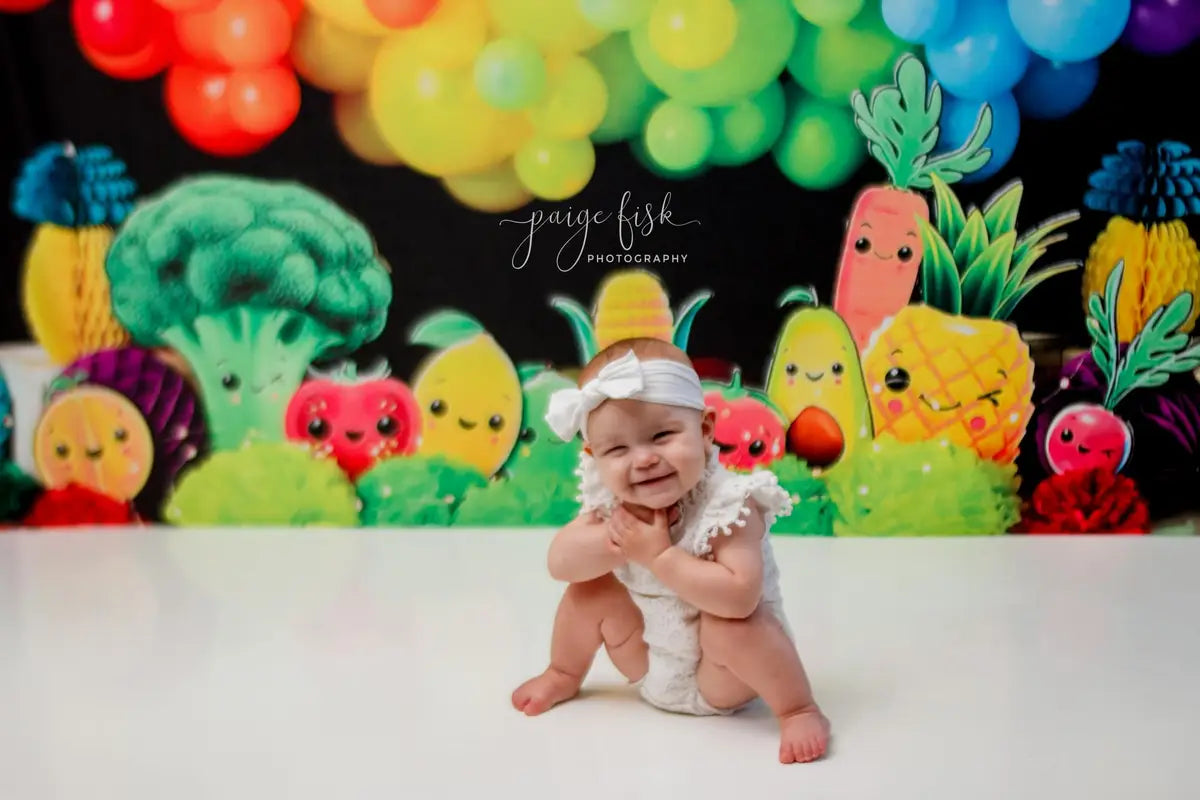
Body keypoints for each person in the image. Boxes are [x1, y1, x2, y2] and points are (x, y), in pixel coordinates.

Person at [511, 338, 831, 764]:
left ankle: (798, 709)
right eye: (617, 449)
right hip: (648, 664)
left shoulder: (729, 504)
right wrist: (615, 541)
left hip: (723, 677)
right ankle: (564, 672)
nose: (643, 459)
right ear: (594, 456)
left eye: (661, 435)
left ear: (704, 431)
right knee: (588, 591)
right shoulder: (611, 504)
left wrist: (659, 557)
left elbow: (740, 597)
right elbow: (559, 563)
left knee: (733, 626)